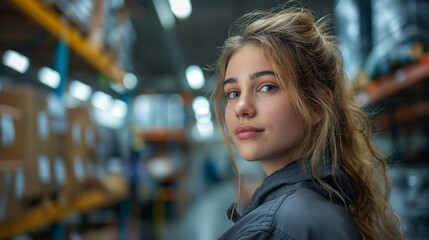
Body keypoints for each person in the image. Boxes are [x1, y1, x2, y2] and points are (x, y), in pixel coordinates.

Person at [212, 6, 404, 240]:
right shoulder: (323, 204)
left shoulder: (274, 228)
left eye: (267, 87)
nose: (241, 107)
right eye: (232, 93)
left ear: (315, 106)